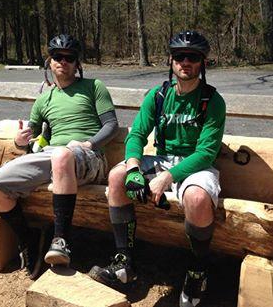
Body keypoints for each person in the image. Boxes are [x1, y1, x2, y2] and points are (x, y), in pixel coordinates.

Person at [89, 30, 226, 307]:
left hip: (195, 164)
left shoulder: (212, 101)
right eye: (179, 56)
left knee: (197, 198)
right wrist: (134, 168)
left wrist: (168, 177)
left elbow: (206, 152)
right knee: (117, 177)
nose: (185, 62)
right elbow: (137, 135)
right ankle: (124, 263)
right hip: (161, 158)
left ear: (202, 63)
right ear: (171, 61)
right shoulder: (159, 95)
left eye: (192, 57)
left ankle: (197, 270)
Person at [0, 34, 118, 278]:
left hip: (90, 158)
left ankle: (62, 240)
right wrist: (20, 141)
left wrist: (88, 143)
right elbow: (31, 134)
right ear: (50, 61)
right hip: (53, 155)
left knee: (62, 155)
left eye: (69, 58)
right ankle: (29, 238)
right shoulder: (44, 99)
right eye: (58, 57)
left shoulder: (94, 87)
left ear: (77, 64)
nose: (63, 62)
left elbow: (111, 125)